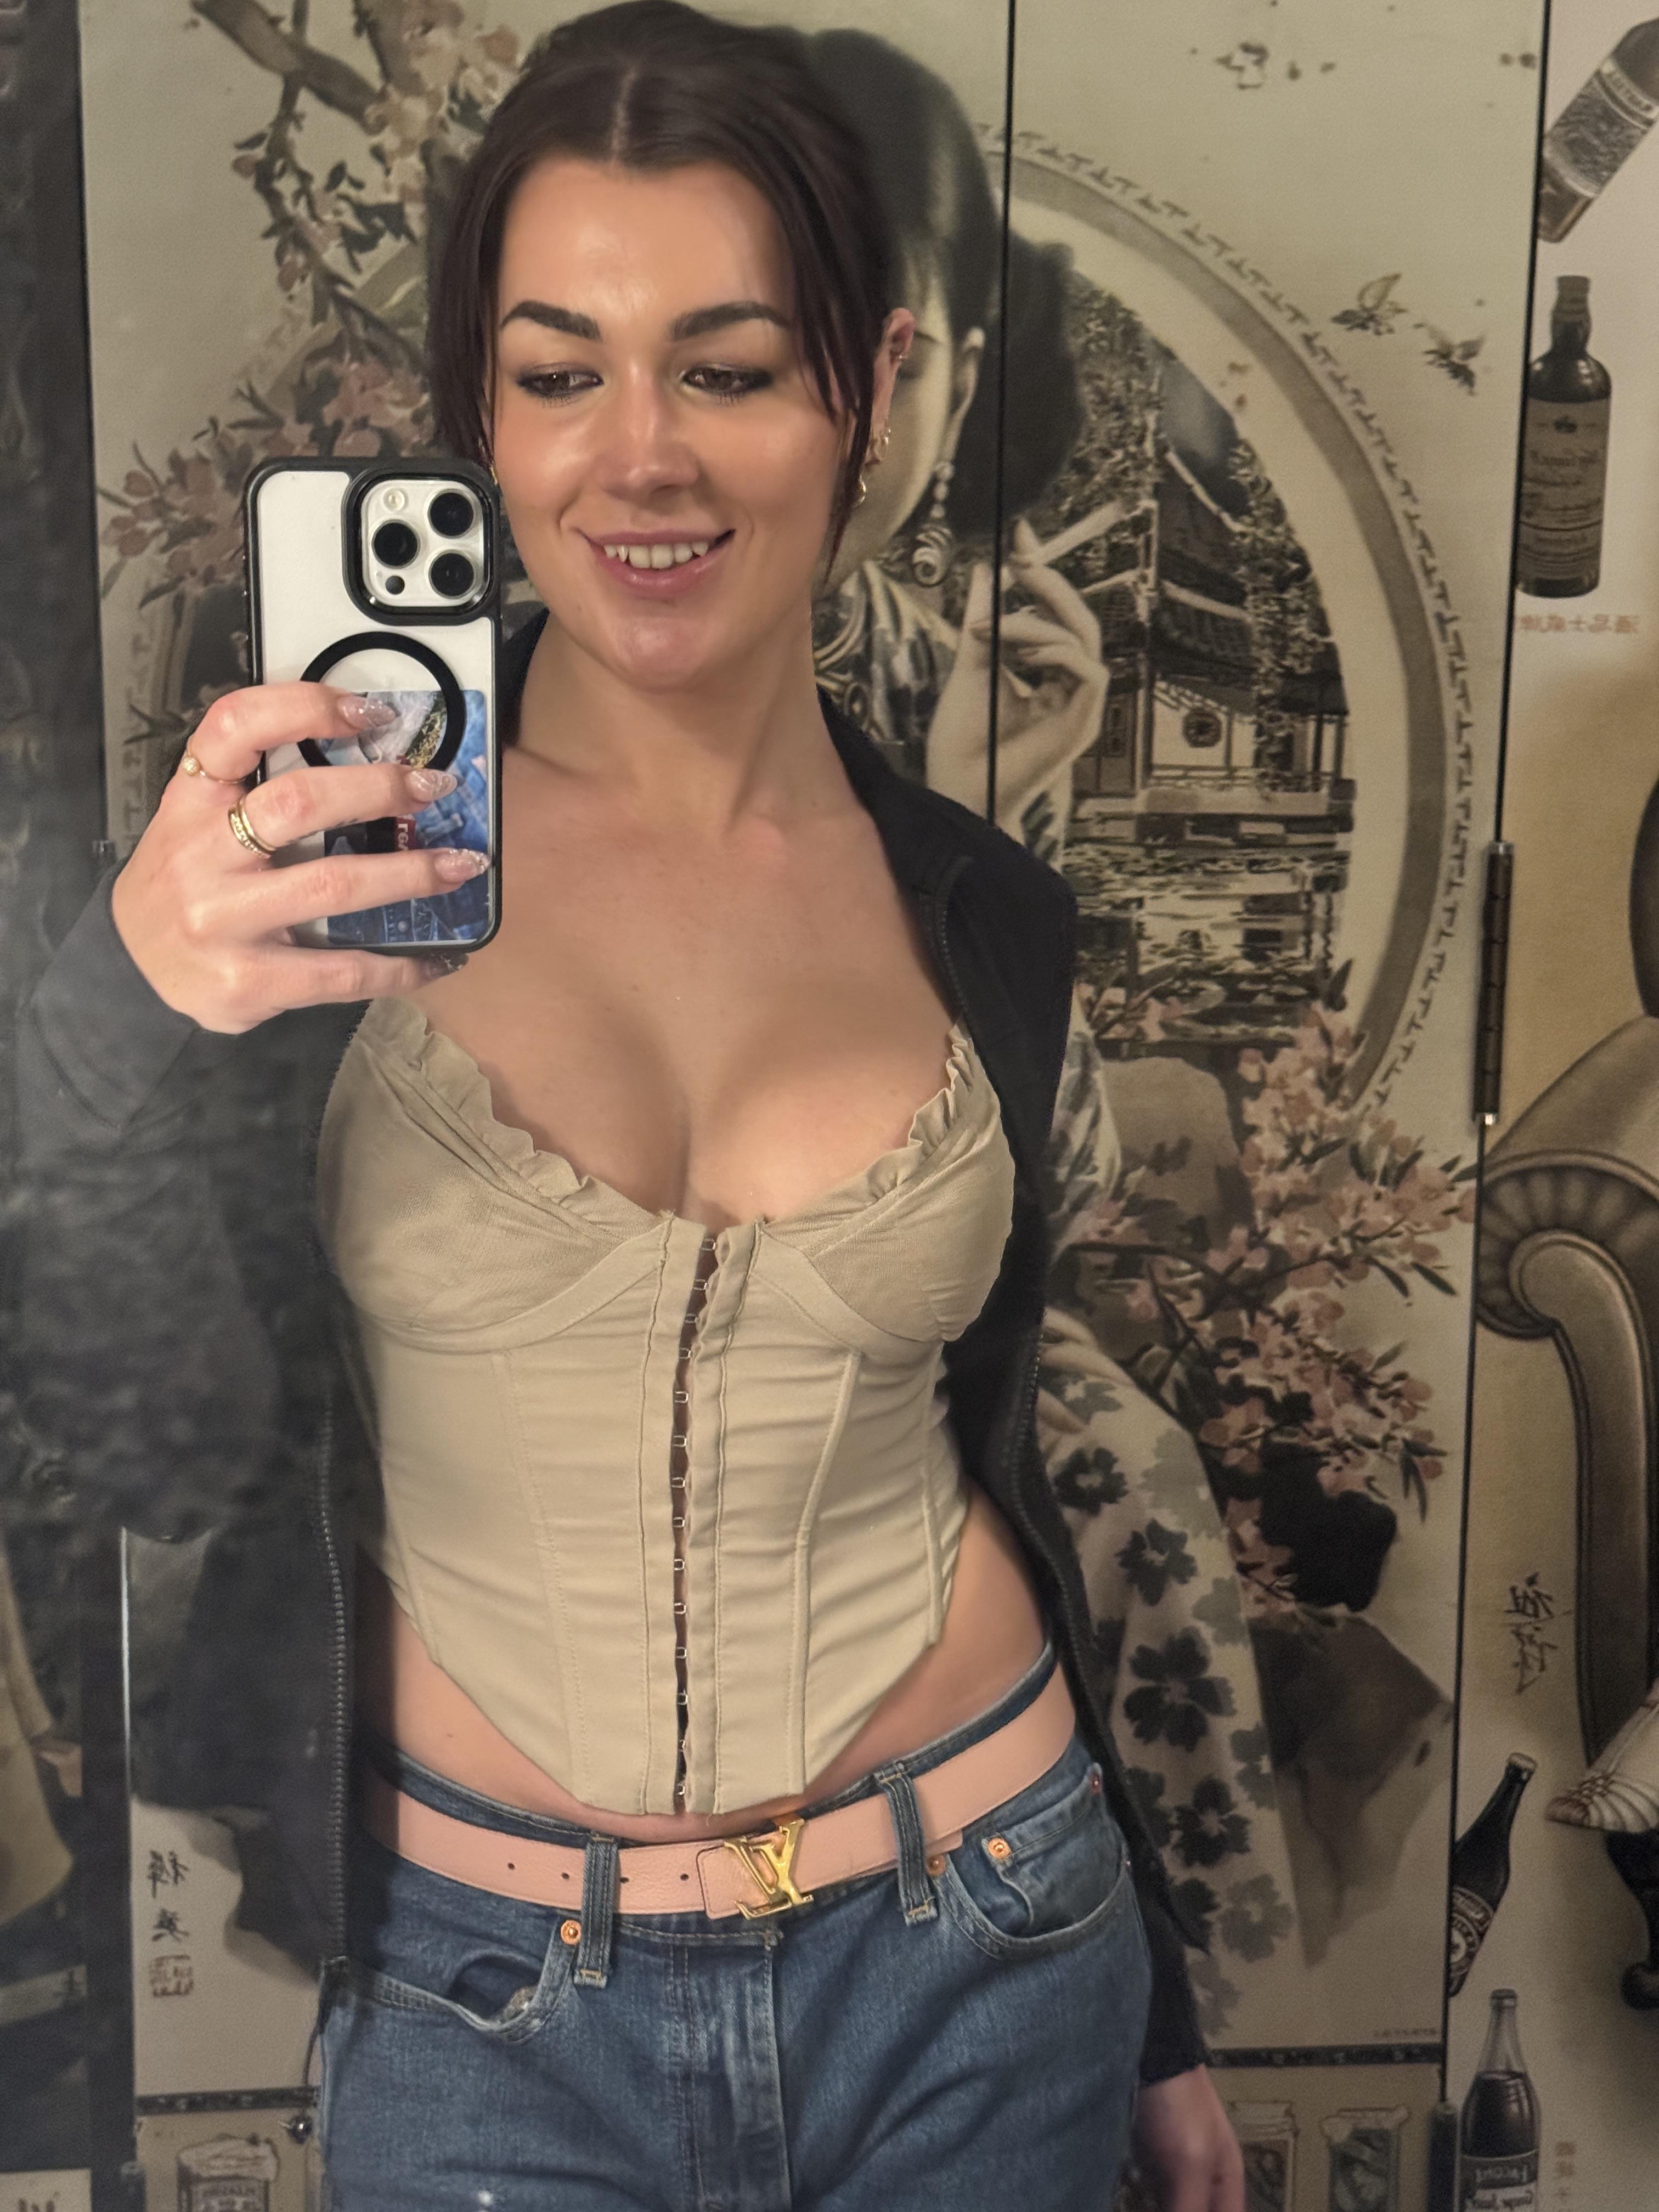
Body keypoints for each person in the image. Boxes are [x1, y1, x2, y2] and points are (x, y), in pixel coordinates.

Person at [20, 5, 1242, 2205]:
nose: (640, 458)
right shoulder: (303, 882)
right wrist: (113, 1004)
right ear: (484, 411)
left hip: (989, 1944)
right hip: (491, 2013)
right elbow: (135, 1440)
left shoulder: (987, 913)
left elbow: (989, 1453)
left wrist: (1146, 2004)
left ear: (867, 389)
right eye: (561, 373)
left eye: (730, 368)